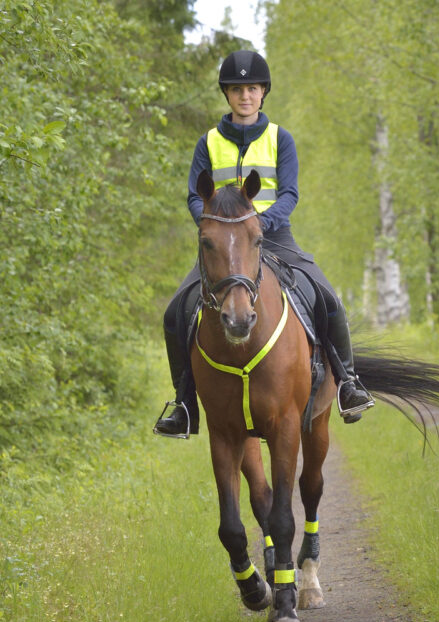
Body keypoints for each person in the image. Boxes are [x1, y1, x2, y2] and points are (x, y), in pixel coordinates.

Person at [154, 49, 373, 438]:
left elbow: (290, 193)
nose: (245, 96)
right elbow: (193, 195)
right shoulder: (207, 142)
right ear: (227, 94)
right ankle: (184, 403)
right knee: (175, 312)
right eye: (237, 89)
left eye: (252, 88)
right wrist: (214, 226)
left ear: (263, 93)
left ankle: (349, 384)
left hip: (274, 237)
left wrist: (258, 224)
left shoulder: (280, 139)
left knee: (328, 298)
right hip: (222, 246)